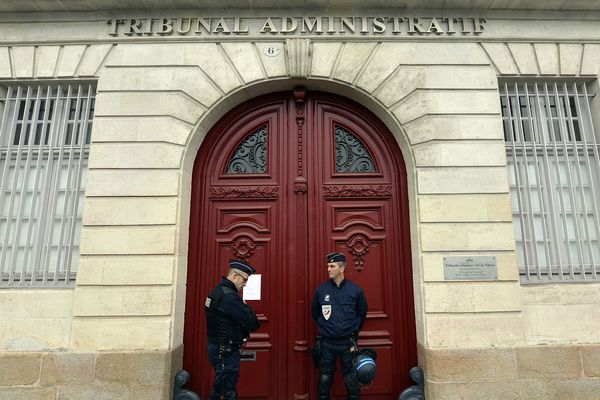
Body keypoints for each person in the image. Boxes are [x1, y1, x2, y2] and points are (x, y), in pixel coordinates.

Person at [311, 252, 368, 400]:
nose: (328, 269)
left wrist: (353, 330)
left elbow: (362, 314)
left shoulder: (356, 291)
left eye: (332, 266)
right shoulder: (321, 290)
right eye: (328, 266)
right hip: (327, 343)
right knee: (324, 379)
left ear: (342, 268)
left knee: (351, 380)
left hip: (347, 344)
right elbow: (315, 313)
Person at [205, 259, 261, 400]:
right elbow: (252, 322)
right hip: (226, 352)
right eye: (245, 279)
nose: (245, 284)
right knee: (226, 391)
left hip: (217, 348)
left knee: (222, 387)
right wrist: (246, 307)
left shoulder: (216, 292)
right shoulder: (229, 297)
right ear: (235, 276)